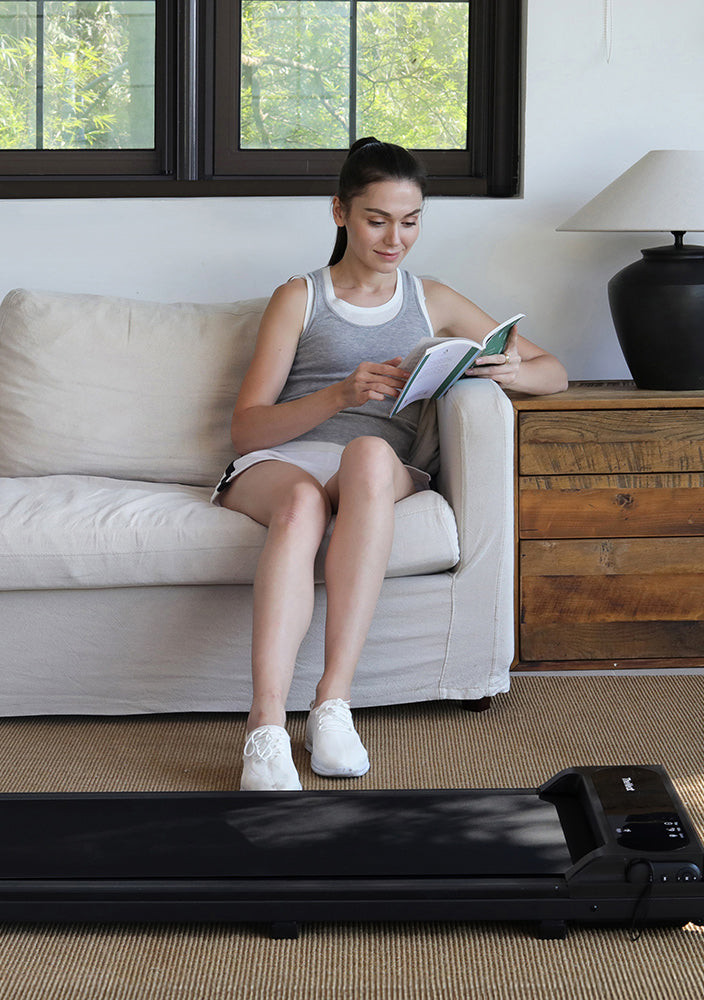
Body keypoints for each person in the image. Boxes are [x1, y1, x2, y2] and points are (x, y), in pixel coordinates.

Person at [215, 137, 568, 791]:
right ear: (340, 212)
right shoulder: (300, 296)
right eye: (378, 219)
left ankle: (332, 705)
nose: (394, 238)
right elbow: (247, 428)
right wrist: (340, 394)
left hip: (373, 467)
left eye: (409, 222)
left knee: (372, 452)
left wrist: (514, 367)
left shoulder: (433, 298)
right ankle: (264, 729)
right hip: (287, 462)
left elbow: (556, 372)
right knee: (302, 504)